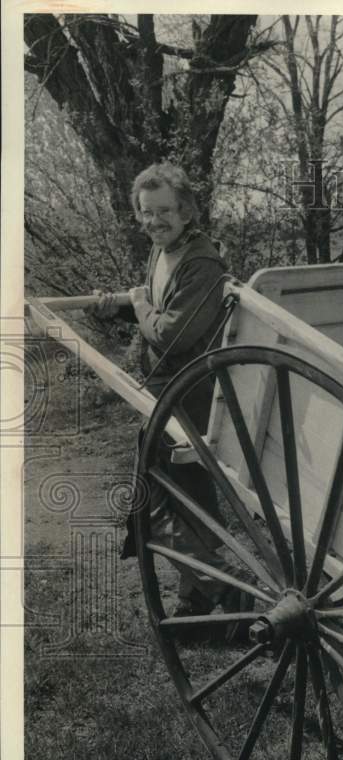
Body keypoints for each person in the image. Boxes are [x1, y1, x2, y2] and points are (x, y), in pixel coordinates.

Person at [95, 163, 237, 622]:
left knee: (158, 499)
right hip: (165, 391)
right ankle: (194, 603)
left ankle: (225, 590)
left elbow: (172, 333)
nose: (154, 221)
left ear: (187, 211)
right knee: (184, 498)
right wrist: (117, 308)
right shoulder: (163, 253)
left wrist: (137, 305)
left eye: (164, 212)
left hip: (191, 396)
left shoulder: (200, 260)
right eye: (146, 212)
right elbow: (156, 310)